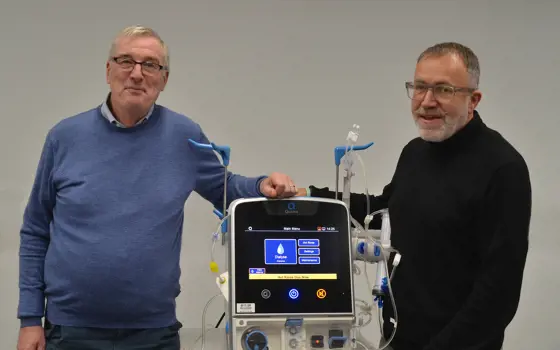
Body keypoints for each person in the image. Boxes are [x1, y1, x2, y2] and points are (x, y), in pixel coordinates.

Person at [17, 25, 298, 350]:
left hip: (152, 333)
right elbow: (36, 231)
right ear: (108, 71)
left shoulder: (183, 136)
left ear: (163, 79)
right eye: (126, 61)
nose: (136, 74)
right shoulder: (64, 138)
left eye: (150, 65)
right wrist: (29, 321)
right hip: (70, 331)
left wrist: (264, 184)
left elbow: (226, 187)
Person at [299, 42, 532, 350]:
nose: (426, 101)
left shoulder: (503, 169)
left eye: (443, 90)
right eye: (419, 87)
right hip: (397, 339)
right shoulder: (415, 152)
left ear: (473, 100)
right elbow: (386, 208)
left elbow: (497, 296)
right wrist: (310, 197)